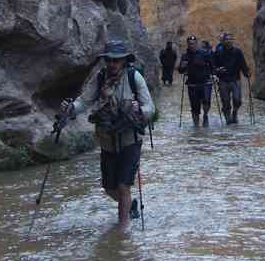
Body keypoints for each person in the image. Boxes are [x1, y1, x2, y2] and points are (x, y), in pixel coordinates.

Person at [62, 39, 155, 226]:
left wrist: (139, 110)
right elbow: (84, 101)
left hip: (130, 140)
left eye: (116, 60)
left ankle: (122, 232)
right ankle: (131, 204)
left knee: (123, 186)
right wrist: (71, 109)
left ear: (124, 60)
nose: (112, 64)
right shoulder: (100, 77)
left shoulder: (134, 77)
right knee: (109, 189)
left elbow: (150, 107)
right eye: (109, 60)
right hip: (107, 140)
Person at [213, 32, 250, 125]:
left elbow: (243, 64)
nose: (228, 41)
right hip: (223, 80)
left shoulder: (238, 52)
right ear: (223, 41)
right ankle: (228, 119)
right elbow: (213, 66)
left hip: (235, 79)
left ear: (233, 41)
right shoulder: (218, 52)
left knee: (237, 99)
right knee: (225, 101)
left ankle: (235, 112)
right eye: (226, 39)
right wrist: (217, 70)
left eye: (230, 39)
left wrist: (247, 72)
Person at [178, 35, 213, 126]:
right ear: (187, 44)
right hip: (192, 84)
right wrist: (182, 66)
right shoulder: (185, 56)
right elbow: (180, 71)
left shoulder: (205, 54)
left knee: (206, 101)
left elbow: (212, 65)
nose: (191, 45)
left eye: (193, 44)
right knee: (194, 106)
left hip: (205, 82)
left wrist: (214, 75)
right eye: (190, 44)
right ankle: (196, 126)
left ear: (196, 44)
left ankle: (205, 115)